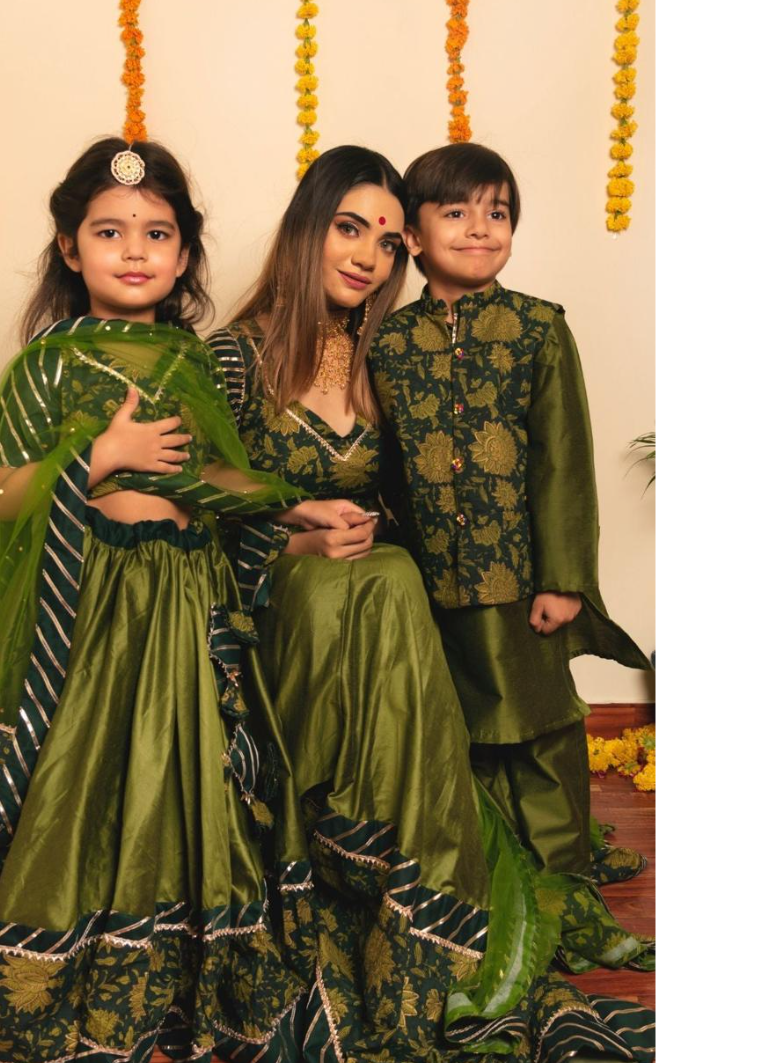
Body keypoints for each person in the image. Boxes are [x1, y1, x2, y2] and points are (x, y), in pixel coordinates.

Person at [211, 145, 655, 1062]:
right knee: (387, 599)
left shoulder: (406, 348)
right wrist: (294, 526)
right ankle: (370, 867)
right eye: (349, 228)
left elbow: (505, 472)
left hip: (422, 590)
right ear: (307, 226)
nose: (369, 254)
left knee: (447, 638)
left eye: (384, 237)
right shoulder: (250, 354)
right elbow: (200, 499)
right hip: (301, 594)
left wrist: (552, 573)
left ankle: (488, 889)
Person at [0, 136, 359, 1063]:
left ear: (183, 253)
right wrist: (102, 459)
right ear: (67, 245)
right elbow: (3, 494)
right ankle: (68, 979)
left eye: (157, 233)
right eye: (109, 230)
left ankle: (173, 988)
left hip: (183, 599)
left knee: (185, 781)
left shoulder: (188, 361)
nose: (134, 249)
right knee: (90, 784)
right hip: (91, 606)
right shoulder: (46, 365)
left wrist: (297, 510)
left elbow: (214, 477)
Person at [370, 142, 656, 976]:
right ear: (412, 237)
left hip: (522, 583)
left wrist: (564, 581)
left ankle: (576, 910)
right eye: (456, 211)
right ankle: (501, 903)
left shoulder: (538, 328)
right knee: (464, 747)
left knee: (541, 740)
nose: (481, 228)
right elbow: (382, 468)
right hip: (430, 589)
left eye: (497, 212)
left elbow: (563, 459)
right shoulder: (389, 344)